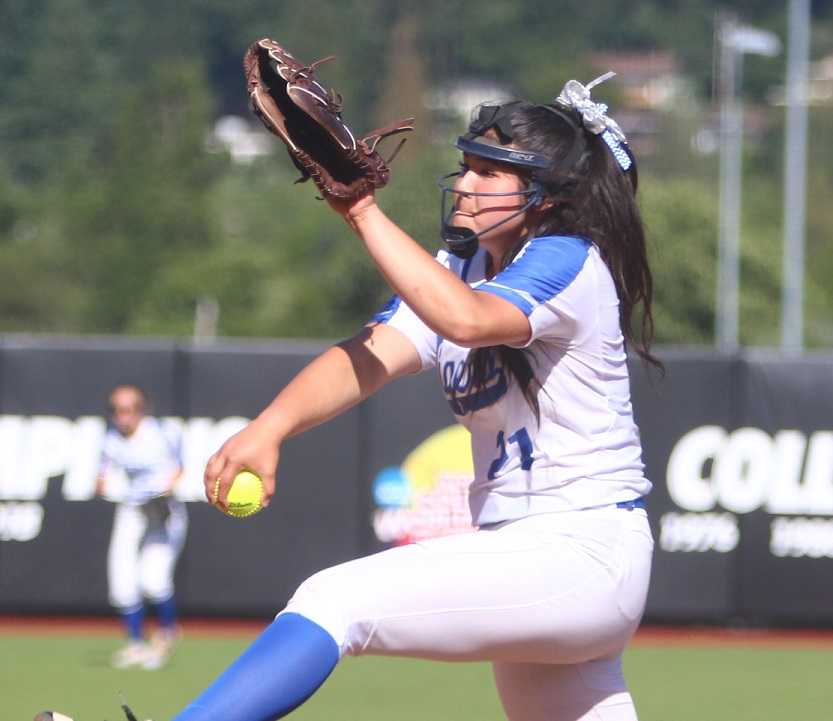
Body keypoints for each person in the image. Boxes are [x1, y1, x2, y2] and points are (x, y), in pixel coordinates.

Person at [180, 72, 658, 721]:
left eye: (489, 173)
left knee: (333, 599)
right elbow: (372, 354)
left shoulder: (565, 258)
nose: (464, 184)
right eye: (465, 166)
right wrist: (270, 426)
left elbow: (463, 320)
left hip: (579, 546)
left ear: (543, 196)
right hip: (536, 558)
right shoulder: (458, 266)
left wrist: (360, 211)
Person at [97, 383, 188, 671]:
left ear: (141, 410)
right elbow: (101, 478)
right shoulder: (111, 438)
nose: (121, 415)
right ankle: (135, 643)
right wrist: (108, 485)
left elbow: (179, 470)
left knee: (153, 578)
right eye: (115, 409)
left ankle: (167, 633)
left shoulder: (160, 432)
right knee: (121, 579)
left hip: (162, 510)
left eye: (128, 409)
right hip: (132, 508)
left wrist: (161, 492)